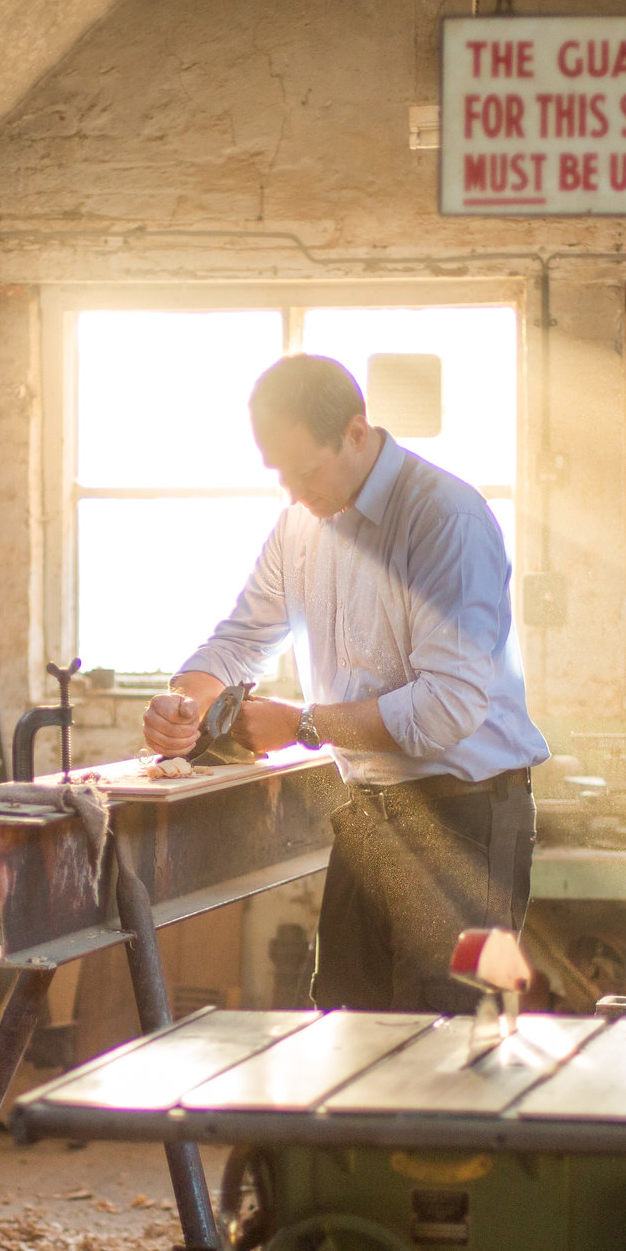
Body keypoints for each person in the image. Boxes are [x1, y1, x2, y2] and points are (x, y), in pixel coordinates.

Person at [144, 353, 547, 1013]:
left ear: (357, 434)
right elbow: (241, 638)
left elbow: (446, 707)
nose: (294, 490)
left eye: (305, 470)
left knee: (449, 1042)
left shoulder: (446, 519)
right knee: (347, 1026)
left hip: (466, 819)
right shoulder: (300, 524)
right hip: (371, 813)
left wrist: (304, 723)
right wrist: (186, 699)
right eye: (279, 473)